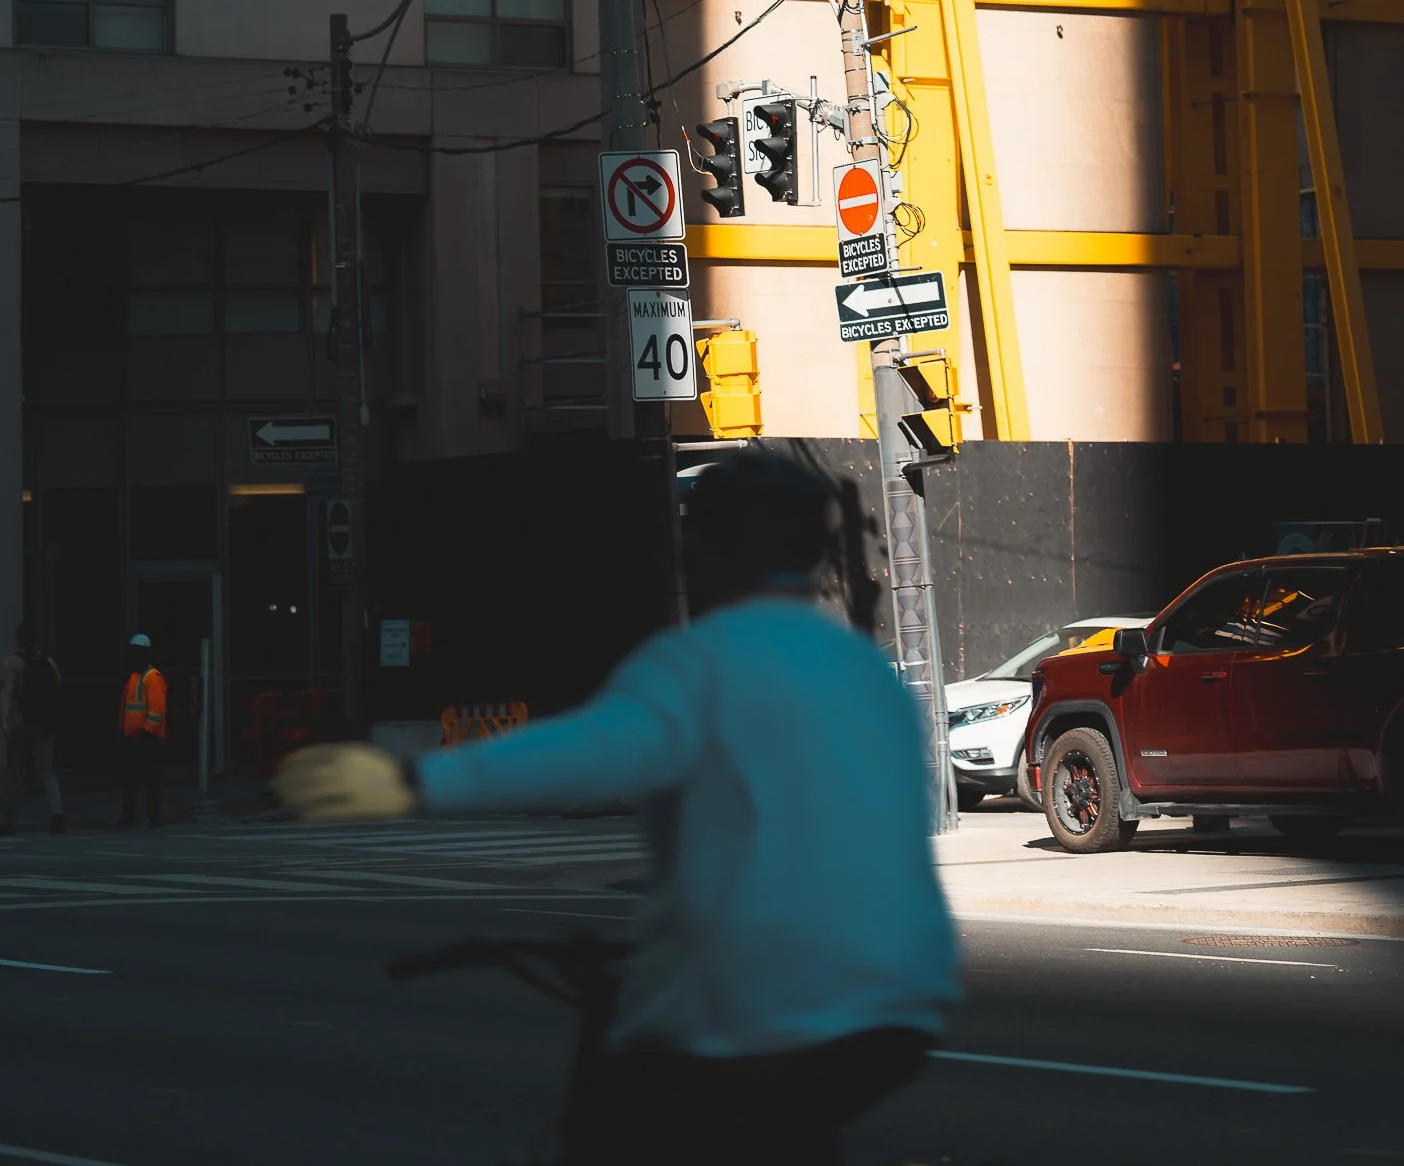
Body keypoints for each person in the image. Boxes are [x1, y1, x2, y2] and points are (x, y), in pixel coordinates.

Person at [278, 451, 961, 1165]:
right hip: (906, 997)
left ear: (710, 552)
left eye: (694, 536)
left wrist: (415, 783)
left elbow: (592, 749)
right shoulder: (867, 672)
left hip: (760, 997)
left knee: (630, 1122)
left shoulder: (700, 661)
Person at [2, 625, 65, 835]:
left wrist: (5, 721)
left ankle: (7, 821)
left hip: (20, 725)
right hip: (44, 725)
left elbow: (8, 694)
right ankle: (58, 815)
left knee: (14, 774)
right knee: (47, 773)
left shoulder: (12, 663)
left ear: (18, 640)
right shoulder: (49, 663)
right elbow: (58, 692)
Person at [117, 632, 167, 829]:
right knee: (130, 780)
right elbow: (125, 707)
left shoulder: (152, 677)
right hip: (133, 737)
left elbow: (158, 709)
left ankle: (154, 818)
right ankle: (128, 817)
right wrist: (122, 731)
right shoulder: (134, 676)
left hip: (148, 738)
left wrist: (147, 732)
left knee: (149, 779)